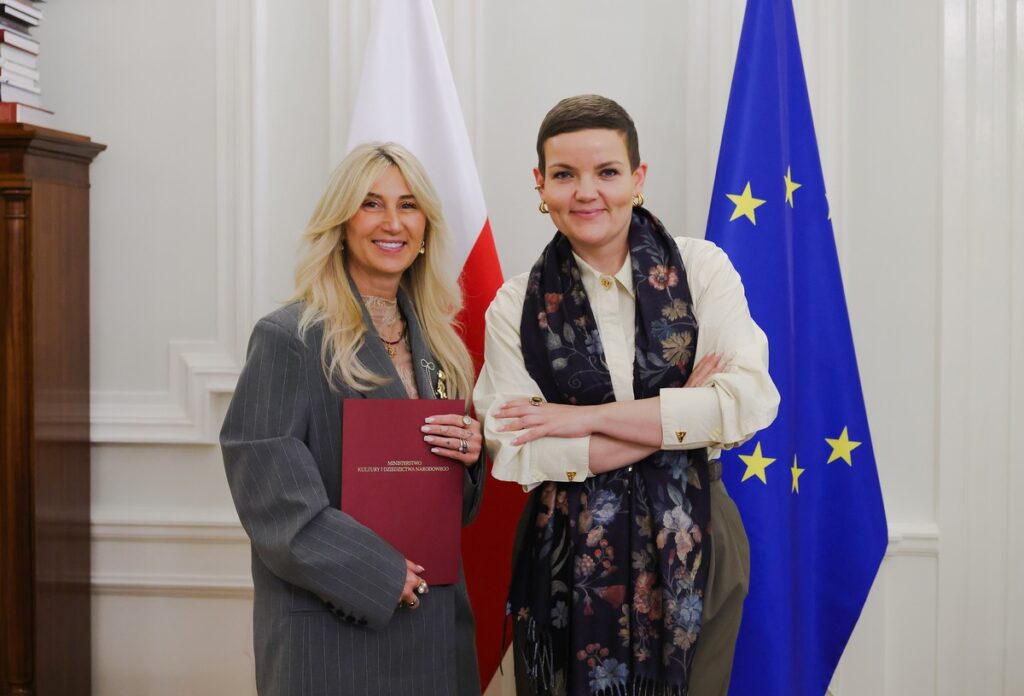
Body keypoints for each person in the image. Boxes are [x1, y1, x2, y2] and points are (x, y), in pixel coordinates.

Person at [473, 95, 780, 696]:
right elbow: (514, 448)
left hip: (698, 539)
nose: (587, 192)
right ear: (541, 185)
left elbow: (746, 403)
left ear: (637, 179)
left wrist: (576, 420)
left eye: (607, 172)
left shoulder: (702, 270)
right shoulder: (514, 306)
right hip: (564, 551)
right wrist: (675, 417)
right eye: (565, 175)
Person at [221, 142, 485, 695]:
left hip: (435, 627)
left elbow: (446, 505)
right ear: (341, 223)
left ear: (425, 227)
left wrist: (468, 456)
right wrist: (380, 574)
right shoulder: (290, 337)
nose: (393, 222)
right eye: (371, 204)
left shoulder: (441, 343)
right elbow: (274, 501)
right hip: (333, 634)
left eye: (408, 205)